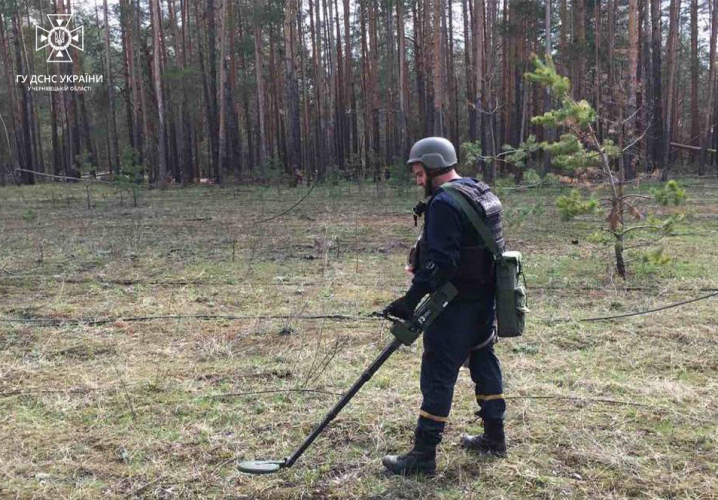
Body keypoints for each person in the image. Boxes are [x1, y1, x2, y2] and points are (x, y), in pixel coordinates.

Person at [382, 137, 507, 476]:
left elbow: (442, 263)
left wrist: (410, 300)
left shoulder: (444, 203)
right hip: (485, 297)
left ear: (434, 165)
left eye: (420, 173)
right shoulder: (479, 191)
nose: (417, 180)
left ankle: (423, 456)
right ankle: (495, 437)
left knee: (438, 372)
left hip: (455, 303)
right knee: (483, 357)